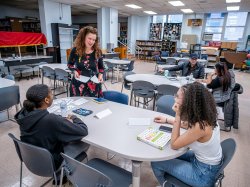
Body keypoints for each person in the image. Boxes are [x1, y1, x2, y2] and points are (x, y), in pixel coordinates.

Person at [151, 82, 222, 187]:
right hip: (205, 163)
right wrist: (167, 119)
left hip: (203, 174)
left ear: (188, 101)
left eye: (177, 96)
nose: (174, 98)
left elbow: (174, 144)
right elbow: (187, 125)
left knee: (156, 162)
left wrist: (178, 114)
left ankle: (166, 185)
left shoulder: (201, 125)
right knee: (164, 155)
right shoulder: (206, 115)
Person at [15, 84, 89, 170]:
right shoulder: (51, 120)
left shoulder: (24, 115)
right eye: (51, 94)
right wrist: (74, 118)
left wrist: (59, 121)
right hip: (52, 163)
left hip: (31, 160)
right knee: (84, 142)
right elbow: (83, 130)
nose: (53, 96)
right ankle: (64, 173)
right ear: (46, 100)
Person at [68, 26, 104, 97]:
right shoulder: (75, 50)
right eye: (89, 38)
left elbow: (101, 68)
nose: (91, 42)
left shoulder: (98, 51)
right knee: (78, 106)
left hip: (93, 85)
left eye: (94, 40)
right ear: (83, 37)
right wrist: (74, 71)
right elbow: (70, 65)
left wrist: (100, 75)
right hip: (78, 84)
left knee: (93, 106)